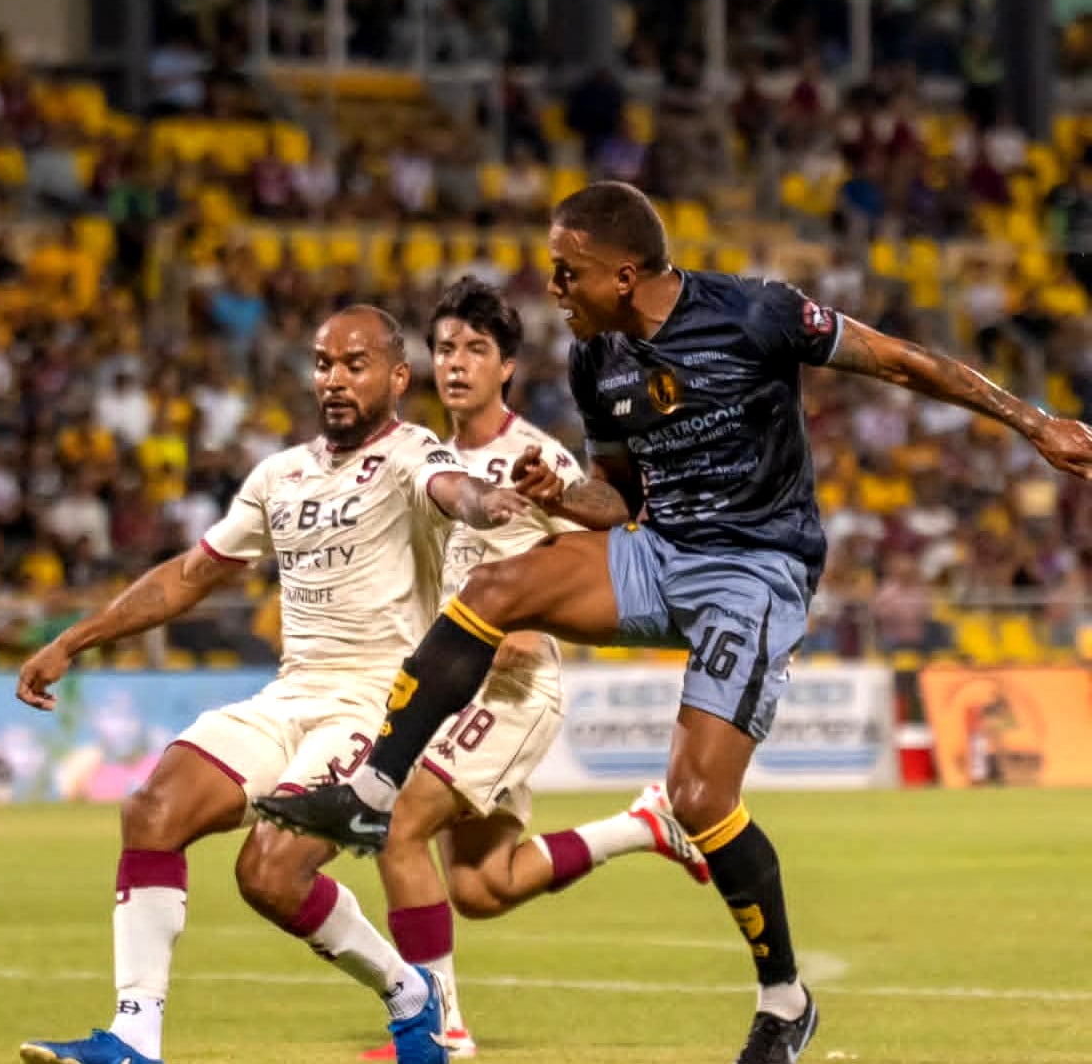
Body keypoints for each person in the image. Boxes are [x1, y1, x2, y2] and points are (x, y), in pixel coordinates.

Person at [254, 181, 1092, 1064]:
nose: (553, 288)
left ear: (624, 274)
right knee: (495, 591)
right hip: (661, 553)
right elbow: (620, 501)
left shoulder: (755, 313)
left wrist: (1033, 423)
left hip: (757, 568)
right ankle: (374, 793)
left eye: (566, 271)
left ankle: (785, 1000)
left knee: (698, 798)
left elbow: (898, 361)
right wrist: (562, 493)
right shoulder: (595, 361)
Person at [14, 305, 528, 1064]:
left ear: (397, 376)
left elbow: (454, 489)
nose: (335, 379)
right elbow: (190, 576)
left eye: (355, 364)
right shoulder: (278, 475)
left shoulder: (412, 452)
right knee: (152, 808)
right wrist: (73, 640)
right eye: (324, 363)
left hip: (375, 709)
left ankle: (408, 993)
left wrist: (487, 502)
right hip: (288, 697)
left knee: (268, 871)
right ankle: (133, 1037)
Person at [358, 278, 709, 1061]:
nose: (456, 363)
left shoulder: (531, 456)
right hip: (454, 690)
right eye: (445, 347)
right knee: (483, 887)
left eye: (476, 350)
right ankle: (642, 825)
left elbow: (604, 526)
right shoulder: (430, 458)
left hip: (513, 684)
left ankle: (437, 1026)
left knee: (398, 827)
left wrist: (535, 619)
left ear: (507, 367)